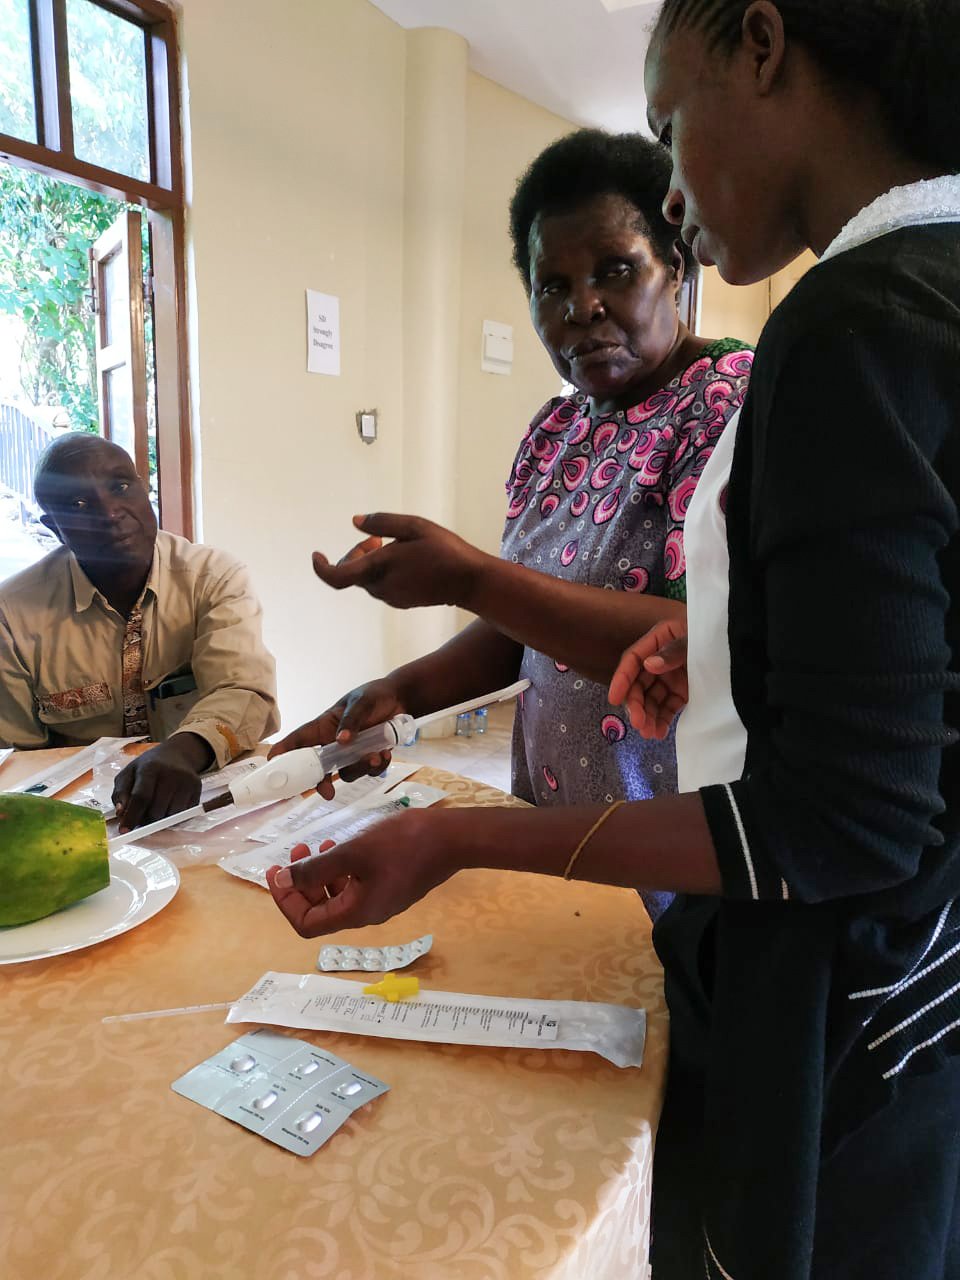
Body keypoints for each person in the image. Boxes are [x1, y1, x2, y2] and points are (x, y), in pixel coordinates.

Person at [266, 2, 960, 1277]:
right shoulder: (917, 297)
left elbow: (833, 819)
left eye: (667, 124)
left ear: (760, 45)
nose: (678, 185)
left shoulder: (832, 339)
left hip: (819, 969)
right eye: (551, 287)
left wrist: (461, 822)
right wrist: (417, 684)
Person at [273, 129, 753, 920]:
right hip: (552, 824)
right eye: (550, 285)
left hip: (676, 843)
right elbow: (521, 625)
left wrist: (469, 575)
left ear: (678, 267)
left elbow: (692, 646)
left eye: (615, 270)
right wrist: (400, 690)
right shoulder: (554, 429)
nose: (582, 308)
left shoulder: (725, 405)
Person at [0, 433, 279, 829]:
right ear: (55, 527)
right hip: (83, 823)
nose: (110, 512)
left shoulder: (213, 577)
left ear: (143, 491)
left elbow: (243, 690)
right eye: (78, 504)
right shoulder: (12, 613)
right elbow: (16, 758)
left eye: (120, 487)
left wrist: (185, 750)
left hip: (205, 797)